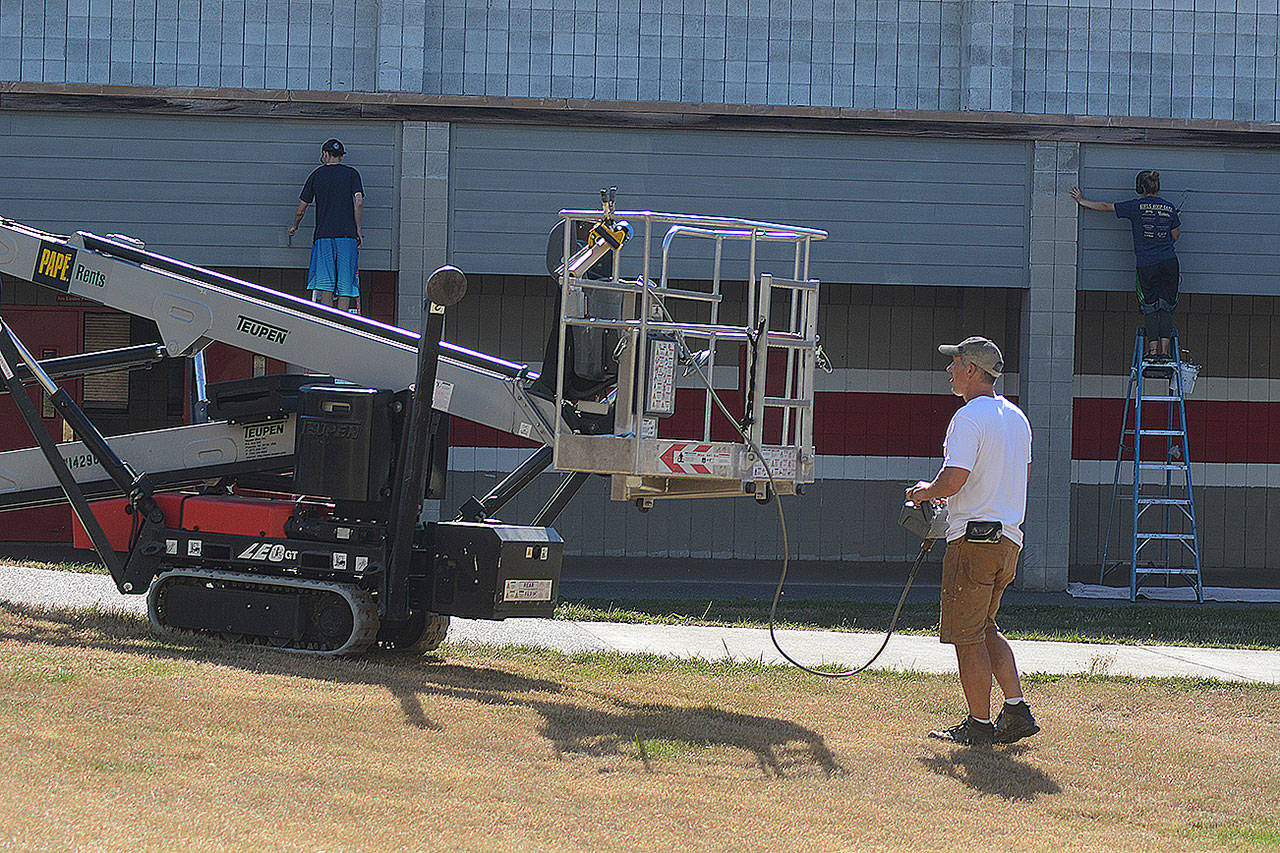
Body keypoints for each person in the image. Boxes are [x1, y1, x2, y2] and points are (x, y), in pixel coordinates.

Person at [905, 336, 1038, 747]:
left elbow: (955, 478)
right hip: (1009, 541)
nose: (949, 370)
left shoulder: (967, 418)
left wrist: (924, 491)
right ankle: (1015, 711)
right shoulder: (1017, 418)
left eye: (955, 363)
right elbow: (1020, 478)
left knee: (966, 636)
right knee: (985, 629)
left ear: (973, 371)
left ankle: (978, 725)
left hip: (974, 542)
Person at [1071, 171, 1181, 359]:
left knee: (1150, 305)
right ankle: (1165, 352)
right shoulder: (1169, 208)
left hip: (1147, 264)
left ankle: (1153, 351)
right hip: (1170, 262)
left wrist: (1082, 201)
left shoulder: (1136, 206)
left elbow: (1107, 206)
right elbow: (1175, 236)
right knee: (1166, 305)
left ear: (1141, 188)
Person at [289, 138, 364, 313]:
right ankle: (344, 321)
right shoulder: (352, 174)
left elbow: (301, 209)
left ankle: (328, 321)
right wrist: (358, 229)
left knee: (325, 284)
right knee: (346, 283)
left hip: (324, 236)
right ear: (341, 156)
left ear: (324, 154)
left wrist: (295, 226)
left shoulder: (316, 175)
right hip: (347, 235)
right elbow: (358, 202)